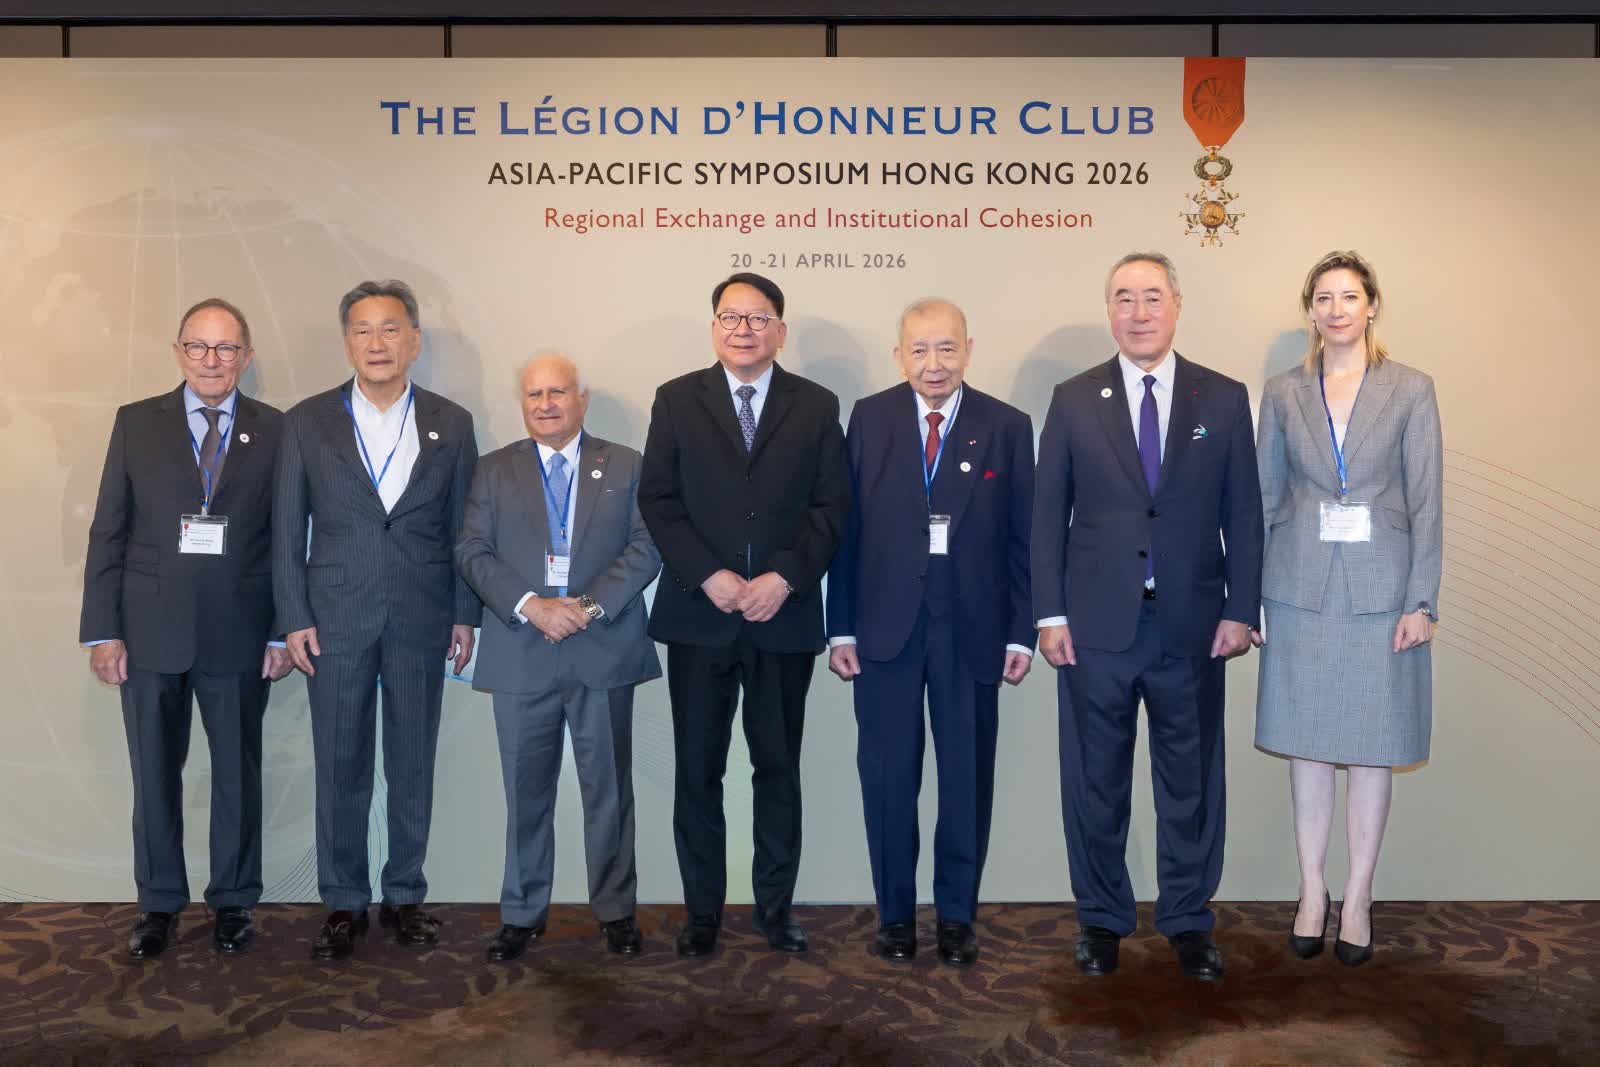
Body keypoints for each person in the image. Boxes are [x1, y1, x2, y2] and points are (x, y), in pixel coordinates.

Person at [1032, 251, 1264, 983]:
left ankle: (1189, 919)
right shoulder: (1073, 398)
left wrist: (1241, 608)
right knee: (1094, 782)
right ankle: (1101, 919)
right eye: (1124, 298)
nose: (1139, 312)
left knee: (1190, 784)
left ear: (1177, 305)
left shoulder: (1222, 398)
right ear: (1109, 310)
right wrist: (1049, 614)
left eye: (1152, 297)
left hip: (1192, 626)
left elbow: (1244, 513)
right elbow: (1047, 515)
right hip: (1095, 629)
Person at [638, 272, 849, 958]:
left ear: (780, 331)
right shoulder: (676, 399)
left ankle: (775, 909)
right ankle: (702, 913)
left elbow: (831, 508)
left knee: (777, 768)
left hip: (781, 618)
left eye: (758, 318)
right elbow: (658, 499)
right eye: (731, 317)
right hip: (701, 617)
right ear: (714, 327)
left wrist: (784, 577)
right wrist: (710, 574)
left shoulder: (816, 405)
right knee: (697, 769)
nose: (744, 329)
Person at [273, 279, 479, 961]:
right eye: (363, 330)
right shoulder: (306, 421)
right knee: (340, 762)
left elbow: (464, 528)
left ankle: (405, 893)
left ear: (414, 341)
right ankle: (342, 900)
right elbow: (284, 531)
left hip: (423, 613)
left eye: (391, 329)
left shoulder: (452, 422)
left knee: (413, 759)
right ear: (347, 342)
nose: (377, 342)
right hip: (333, 617)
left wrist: (464, 613)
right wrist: (292, 616)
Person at [825, 298, 1034, 967]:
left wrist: (1021, 634)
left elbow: (1023, 540)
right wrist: (840, 628)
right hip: (884, 632)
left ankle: (956, 916)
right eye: (919, 349)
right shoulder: (869, 419)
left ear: (968, 350)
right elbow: (845, 534)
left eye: (946, 348)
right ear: (899, 355)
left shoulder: (1006, 425)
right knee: (887, 779)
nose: (934, 363)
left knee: (966, 779)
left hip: (973, 632)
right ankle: (894, 916)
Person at [80, 297, 290, 959]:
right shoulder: (136, 423)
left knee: (237, 777)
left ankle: (234, 901)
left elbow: (288, 539)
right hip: (149, 632)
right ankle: (158, 903)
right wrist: (102, 630)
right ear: (178, 352)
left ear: (246, 356)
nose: (211, 360)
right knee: (153, 775)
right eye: (198, 346)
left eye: (226, 348)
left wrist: (281, 631)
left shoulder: (277, 429)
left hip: (240, 632)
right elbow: (108, 528)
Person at [1253, 250, 1442, 967]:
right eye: (1324, 298)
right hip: (1297, 589)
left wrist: (1421, 599)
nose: (1337, 309)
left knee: (1371, 747)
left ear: (1372, 306)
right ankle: (1312, 892)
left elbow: (1427, 502)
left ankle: (1358, 896)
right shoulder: (1282, 392)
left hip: (1382, 592)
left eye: (1350, 296)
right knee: (1306, 744)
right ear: (1310, 310)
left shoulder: (1412, 389)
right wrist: (1249, 598)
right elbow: (1264, 497)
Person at [455, 353, 661, 962]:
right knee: (526, 794)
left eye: (558, 392)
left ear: (582, 398)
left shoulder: (626, 464)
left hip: (603, 651)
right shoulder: (494, 469)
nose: (545, 404)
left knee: (609, 792)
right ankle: (522, 913)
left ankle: (616, 911)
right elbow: (471, 550)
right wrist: (532, 606)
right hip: (521, 651)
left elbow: (647, 545)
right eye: (534, 394)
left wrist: (587, 607)